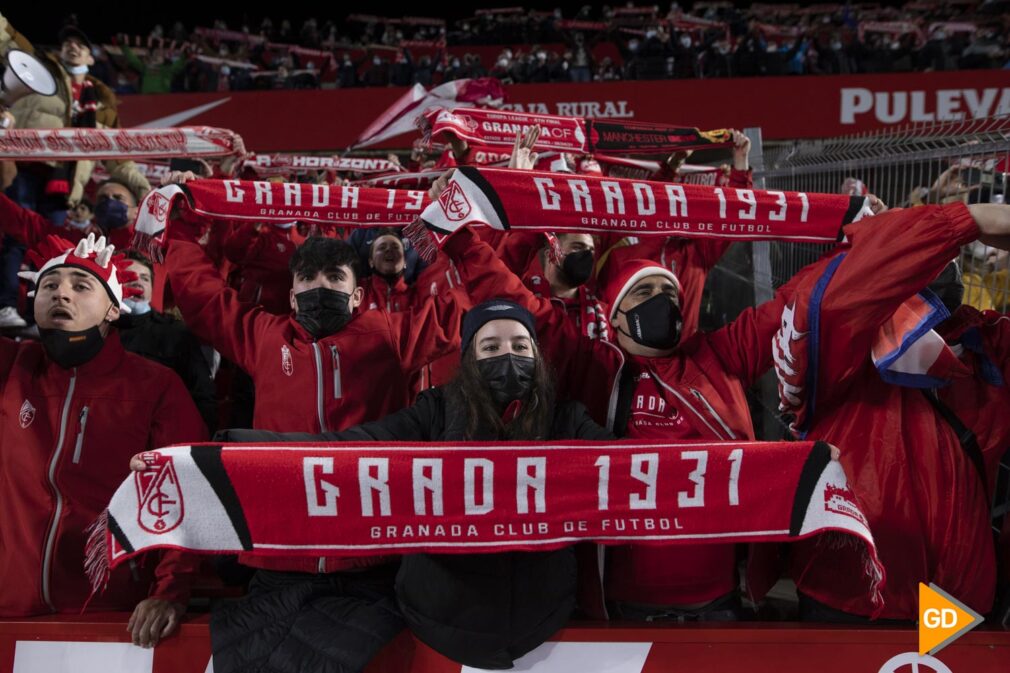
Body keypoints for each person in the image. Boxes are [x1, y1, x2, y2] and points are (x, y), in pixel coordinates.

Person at [196, 300, 612, 672]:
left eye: (521, 346)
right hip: (438, 616)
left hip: (541, 619)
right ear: (467, 359)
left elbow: (634, 468)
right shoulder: (434, 411)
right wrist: (234, 452)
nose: (508, 355)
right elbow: (350, 450)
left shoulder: (567, 419)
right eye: (490, 347)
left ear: (538, 356)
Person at [776, 201, 1010, 621]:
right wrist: (966, 221)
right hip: (856, 594)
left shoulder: (985, 344)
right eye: (922, 247)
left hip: (954, 600)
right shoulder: (839, 346)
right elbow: (844, 293)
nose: (942, 259)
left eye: (947, 252)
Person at [0, 233, 206, 649]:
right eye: (49, 285)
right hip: (8, 603)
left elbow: (189, 490)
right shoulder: (11, 365)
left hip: (111, 610)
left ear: (113, 308)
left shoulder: (156, 385)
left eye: (80, 285)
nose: (61, 294)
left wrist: (169, 590)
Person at [116, 250, 218, 432]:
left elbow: (202, 394)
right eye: (128, 275)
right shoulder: (94, 328)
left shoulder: (176, 333)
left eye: (145, 278)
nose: (137, 281)